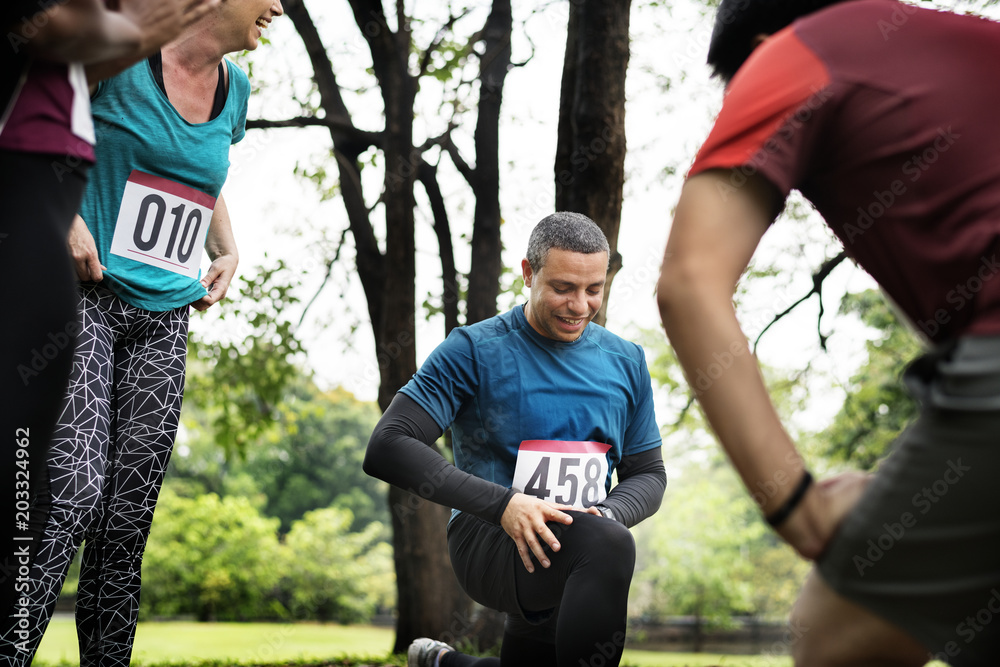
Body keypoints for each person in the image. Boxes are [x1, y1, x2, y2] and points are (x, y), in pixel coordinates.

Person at [656, 1, 1000, 665]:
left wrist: (799, 508)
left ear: (759, 45)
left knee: (831, 630)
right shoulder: (973, 41)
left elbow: (689, 280)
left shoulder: (793, 51)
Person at [0, 0, 283, 663]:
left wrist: (228, 246)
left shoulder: (234, 91)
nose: (277, 7)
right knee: (69, 492)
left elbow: (198, 172)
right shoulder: (123, 58)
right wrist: (60, 212)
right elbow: (45, 124)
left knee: (126, 520)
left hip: (163, 319)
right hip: (85, 295)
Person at [365, 212, 666, 667]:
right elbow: (388, 444)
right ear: (528, 273)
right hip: (491, 540)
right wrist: (506, 504)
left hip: (579, 540)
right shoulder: (474, 349)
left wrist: (605, 513)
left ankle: (444, 663)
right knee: (608, 545)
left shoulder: (626, 361)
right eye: (563, 288)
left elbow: (648, 474)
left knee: (598, 544)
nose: (580, 306)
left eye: (593, 290)